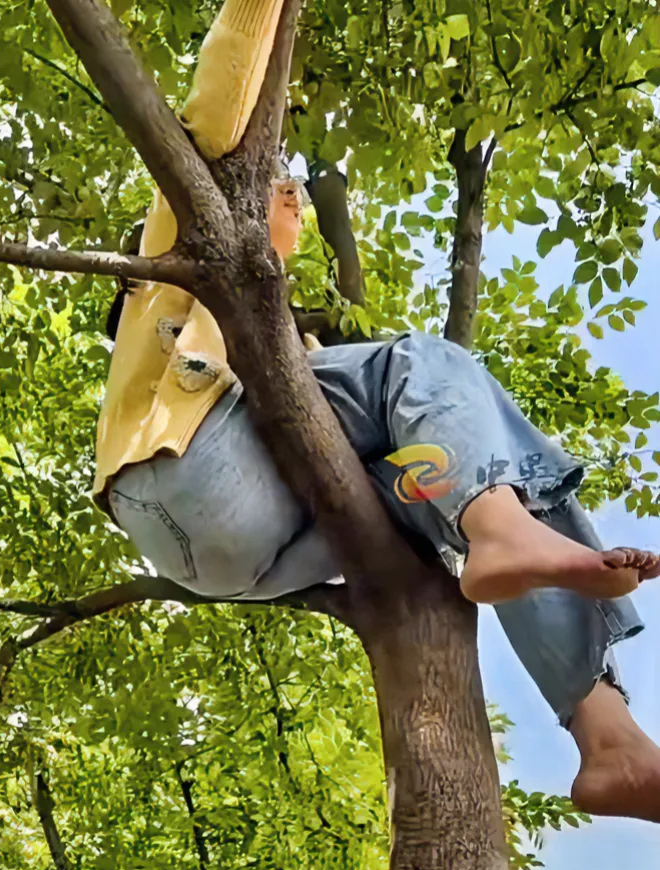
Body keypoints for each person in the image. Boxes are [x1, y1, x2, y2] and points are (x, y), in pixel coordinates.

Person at [91, 0, 660, 823]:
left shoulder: (297, 368)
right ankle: (501, 529)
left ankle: (611, 740)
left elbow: (408, 445)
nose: (286, 193)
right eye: (280, 184)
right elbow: (218, 108)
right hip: (187, 463)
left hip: (235, 560)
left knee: (447, 479)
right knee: (423, 363)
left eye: (292, 185)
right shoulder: (173, 258)